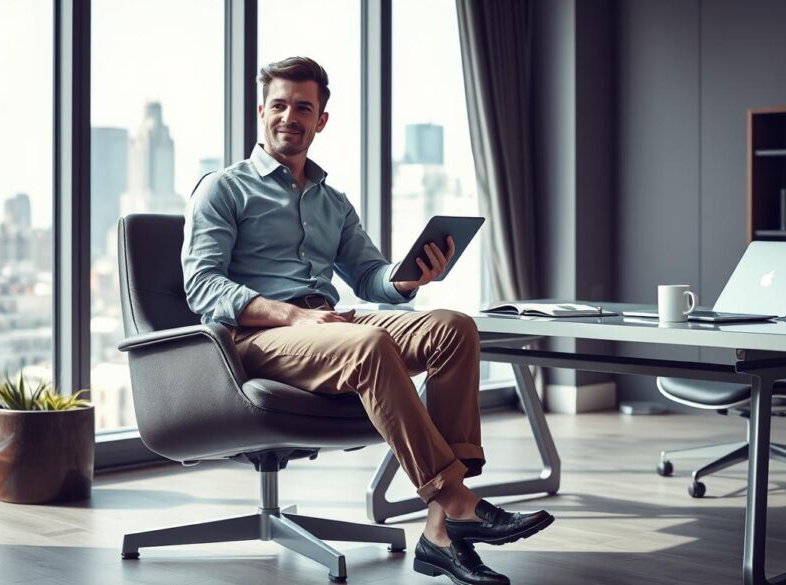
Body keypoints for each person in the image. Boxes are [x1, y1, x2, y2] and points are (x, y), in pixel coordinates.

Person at [182, 56, 553, 585]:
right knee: (369, 344)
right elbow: (203, 286)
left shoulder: (333, 201)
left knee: (453, 328)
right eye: (279, 105)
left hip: (331, 324)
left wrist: (407, 279)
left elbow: (368, 276)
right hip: (256, 338)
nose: (289, 116)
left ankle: (440, 532)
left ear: (320, 120)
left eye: (303, 107)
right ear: (261, 112)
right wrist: (292, 316)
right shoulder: (223, 188)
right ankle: (457, 501)